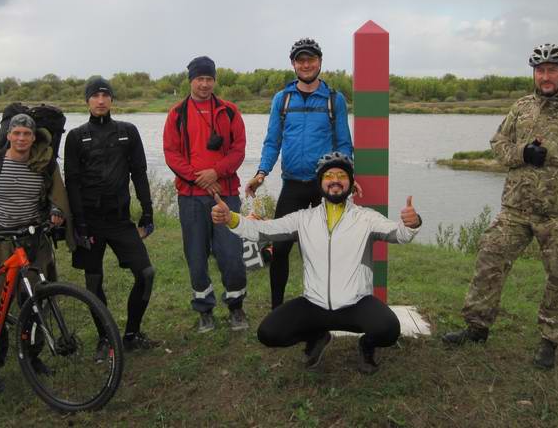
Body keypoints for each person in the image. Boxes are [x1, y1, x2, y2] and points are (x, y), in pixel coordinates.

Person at [442, 44, 558, 369]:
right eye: (540, 70)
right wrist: (523, 154)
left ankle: (550, 340)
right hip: (516, 209)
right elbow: (498, 143)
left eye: (552, 70)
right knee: (489, 259)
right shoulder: (521, 107)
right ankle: (476, 327)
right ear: (534, 73)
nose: (545, 76)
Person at [213, 152, 422, 373]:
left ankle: (366, 346)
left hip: (356, 303)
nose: (335, 180)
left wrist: (411, 224)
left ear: (350, 183)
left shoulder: (366, 218)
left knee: (389, 329)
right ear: (320, 183)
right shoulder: (303, 218)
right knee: (268, 333)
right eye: (328, 175)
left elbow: (397, 234)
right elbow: (264, 229)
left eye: (341, 175)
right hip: (314, 303)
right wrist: (232, 218)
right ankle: (318, 337)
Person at [0, 113, 70, 393]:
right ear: (9, 135)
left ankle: (33, 357)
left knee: (34, 303)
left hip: (32, 241)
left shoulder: (44, 163)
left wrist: (57, 212)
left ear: (34, 137)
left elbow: (57, 196)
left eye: (27, 134)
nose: (21, 138)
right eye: (17, 133)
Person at [245, 37, 354, 309]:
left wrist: (348, 176)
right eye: (300, 60)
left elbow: (343, 143)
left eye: (311, 59)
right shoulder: (282, 100)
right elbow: (273, 141)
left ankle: (323, 306)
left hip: (324, 189)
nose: (306, 65)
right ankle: (277, 309)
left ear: (319, 62)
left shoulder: (334, 100)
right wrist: (261, 172)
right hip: (292, 185)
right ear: (294, 64)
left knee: (322, 251)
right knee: (280, 248)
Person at [64, 76, 160, 356]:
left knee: (146, 273)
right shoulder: (76, 136)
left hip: (119, 220)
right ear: (87, 101)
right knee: (94, 281)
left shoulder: (127, 132)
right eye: (95, 95)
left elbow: (139, 173)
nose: (101, 100)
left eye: (105, 95)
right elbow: (72, 182)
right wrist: (79, 222)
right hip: (90, 221)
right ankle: (105, 338)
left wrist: (148, 210)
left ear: (112, 100)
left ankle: (131, 334)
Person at [163, 55, 249, 333]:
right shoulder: (176, 114)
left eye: (209, 79)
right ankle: (205, 310)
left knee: (231, 254)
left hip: (226, 194)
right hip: (190, 197)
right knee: (196, 256)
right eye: (199, 79)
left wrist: (216, 172)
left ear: (214, 80)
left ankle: (236, 307)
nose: (204, 84)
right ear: (190, 81)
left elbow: (238, 150)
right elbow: (171, 153)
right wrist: (198, 177)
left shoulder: (230, 111)